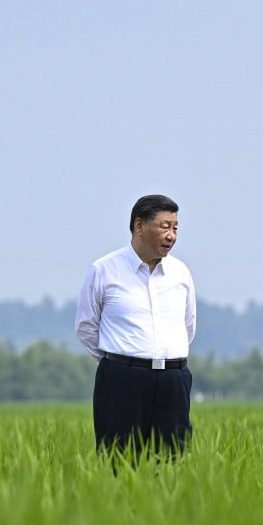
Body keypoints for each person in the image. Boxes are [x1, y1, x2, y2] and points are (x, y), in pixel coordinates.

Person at [75, 194, 197, 459]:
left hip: (174, 380)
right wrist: (121, 361)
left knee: (173, 462)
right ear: (139, 226)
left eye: (176, 228)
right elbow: (86, 327)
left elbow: (188, 327)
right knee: (118, 460)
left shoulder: (180, 273)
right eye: (164, 226)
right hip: (122, 381)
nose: (171, 235)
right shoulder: (104, 270)